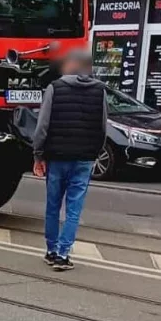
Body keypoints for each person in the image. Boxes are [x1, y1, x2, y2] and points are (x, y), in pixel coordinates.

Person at [31, 49, 108, 272]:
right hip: (84, 159)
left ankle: (51, 250)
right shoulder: (100, 91)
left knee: (53, 206)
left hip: (56, 158)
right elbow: (103, 127)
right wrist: (95, 152)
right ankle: (63, 255)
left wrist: (38, 154)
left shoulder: (54, 88)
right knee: (74, 209)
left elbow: (42, 126)